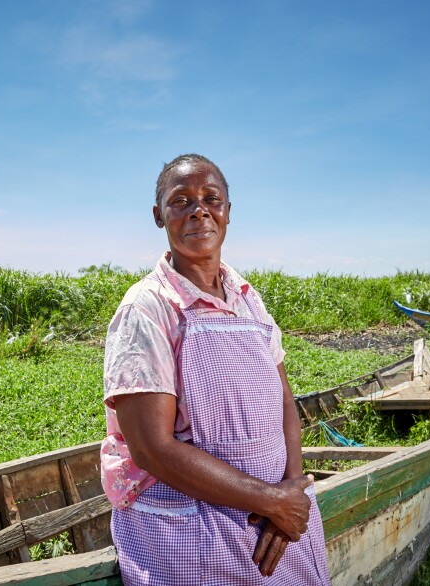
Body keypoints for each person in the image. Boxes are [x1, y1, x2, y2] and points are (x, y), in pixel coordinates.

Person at [100, 154, 330, 585]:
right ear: (159, 216)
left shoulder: (248, 299)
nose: (198, 209)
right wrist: (269, 500)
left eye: (211, 199)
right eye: (181, 200)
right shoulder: (147, 308)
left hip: (275, 525)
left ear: (227, 212)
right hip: (190, 530)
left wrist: (293, 492)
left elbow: (284, 401)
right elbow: (151, 448)